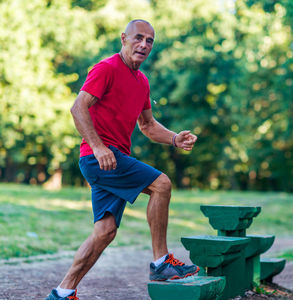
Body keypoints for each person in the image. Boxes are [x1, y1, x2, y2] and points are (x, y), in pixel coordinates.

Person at [45, 19, 199, 300]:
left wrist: (176, 138)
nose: (143, 44)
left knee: (104, 231)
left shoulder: (142, 81)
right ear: (123, 39)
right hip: (100, 158)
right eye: (138, 38)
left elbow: (148, 126)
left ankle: (62, 292)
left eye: (149, 40)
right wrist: (98, 147)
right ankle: (161, 262)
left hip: (112, 160)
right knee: (161, 184)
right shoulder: (107, 68)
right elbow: (78, 107)